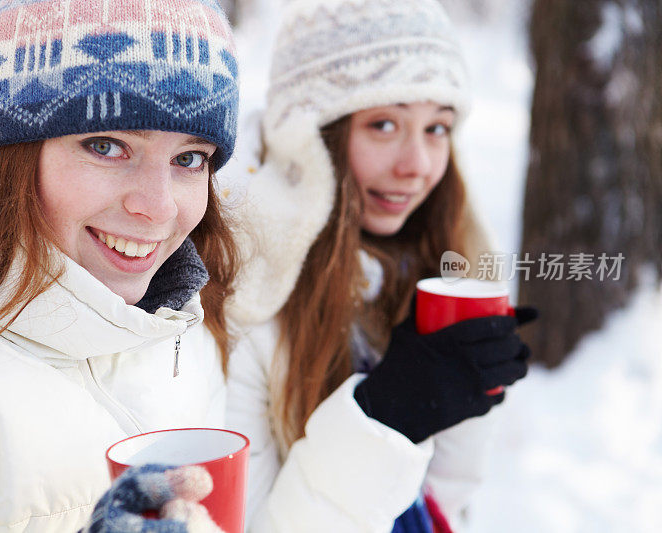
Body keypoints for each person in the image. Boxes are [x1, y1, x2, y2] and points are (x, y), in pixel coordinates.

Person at [0, 0, 240, 530]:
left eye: (188, 159)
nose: (157, 207)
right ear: (10, 158)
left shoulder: (183, 331)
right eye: (106, 145)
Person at [220, 0, 535, 531]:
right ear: (310, 138)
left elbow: (447, 503)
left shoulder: (430, 262)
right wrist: (386, 416)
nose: (417, 166)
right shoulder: (243, 294)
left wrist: (464, 397)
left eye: (438, 128)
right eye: (384, 124)